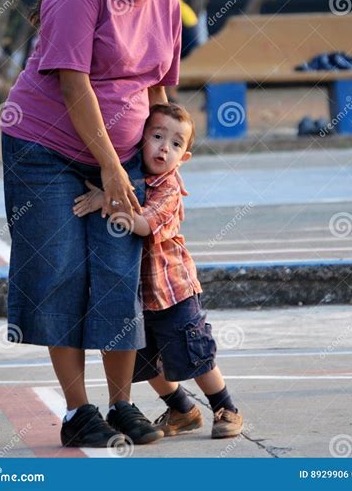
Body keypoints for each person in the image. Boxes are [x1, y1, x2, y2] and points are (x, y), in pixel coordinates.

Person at [0, 0, 203, 448]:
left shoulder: (163, 4)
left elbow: (159, 92)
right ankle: (78, 410)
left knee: (118, 276)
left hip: (123, 158)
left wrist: (163, 162)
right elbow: (73, 82)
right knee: (60, 271)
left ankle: (120, 404)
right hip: (42, 149)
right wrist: (112, 171)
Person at [73, 103, 244, 439]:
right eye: (157, 136)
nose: (165, 147)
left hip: (173, 291)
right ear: (141, 139)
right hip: (142, 295)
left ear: (185, 157)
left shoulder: (169, 189)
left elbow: (141, 224)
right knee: (144, 359)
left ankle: (226, 407)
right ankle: (182, 409)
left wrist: (105, 200)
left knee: (193, 354)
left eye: (176, 144)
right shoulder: (134, 178)